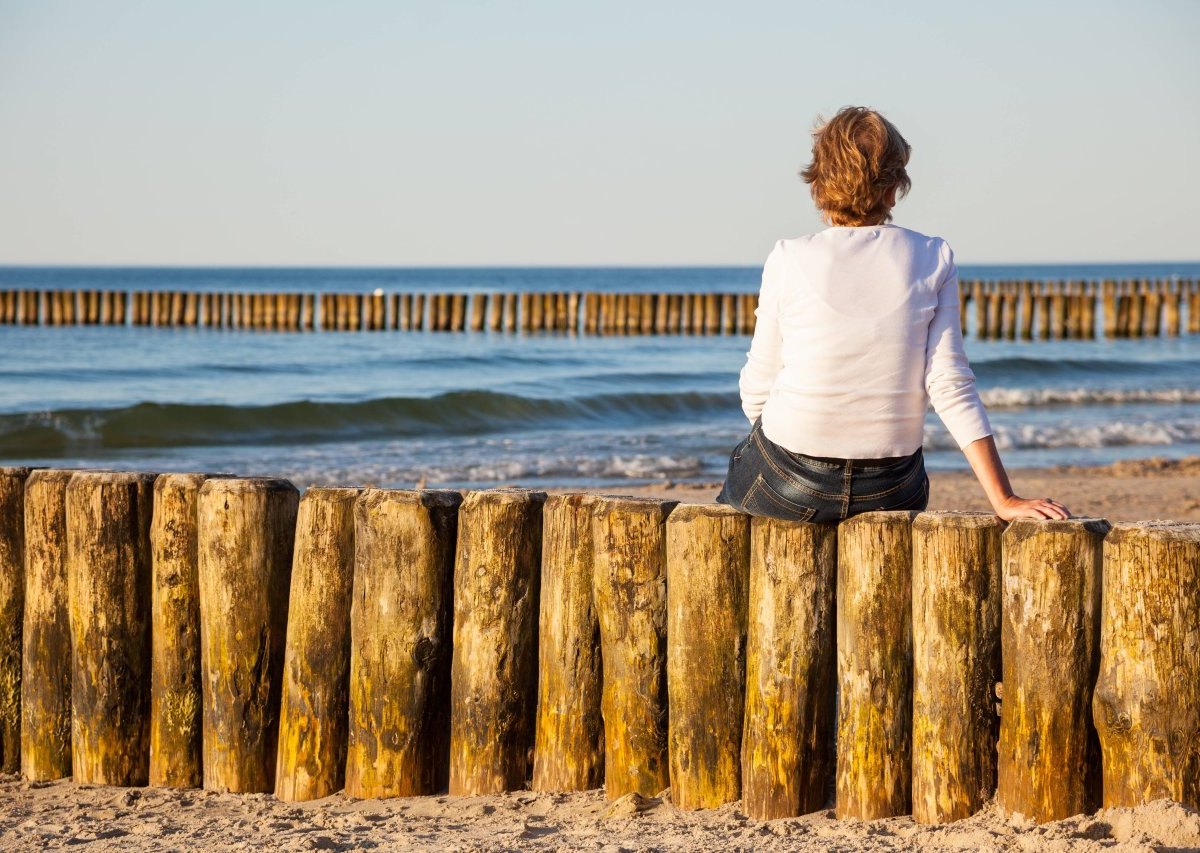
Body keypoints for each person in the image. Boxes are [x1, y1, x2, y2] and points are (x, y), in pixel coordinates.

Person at [716, 106, 1069, 523]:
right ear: (894, 186)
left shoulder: (789, 256)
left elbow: (757, 389)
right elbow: (949, 383)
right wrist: (1003, 498)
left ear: (819, 181)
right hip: (891, 486)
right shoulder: (932, 255)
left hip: (793, 479)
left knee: (744, 466)